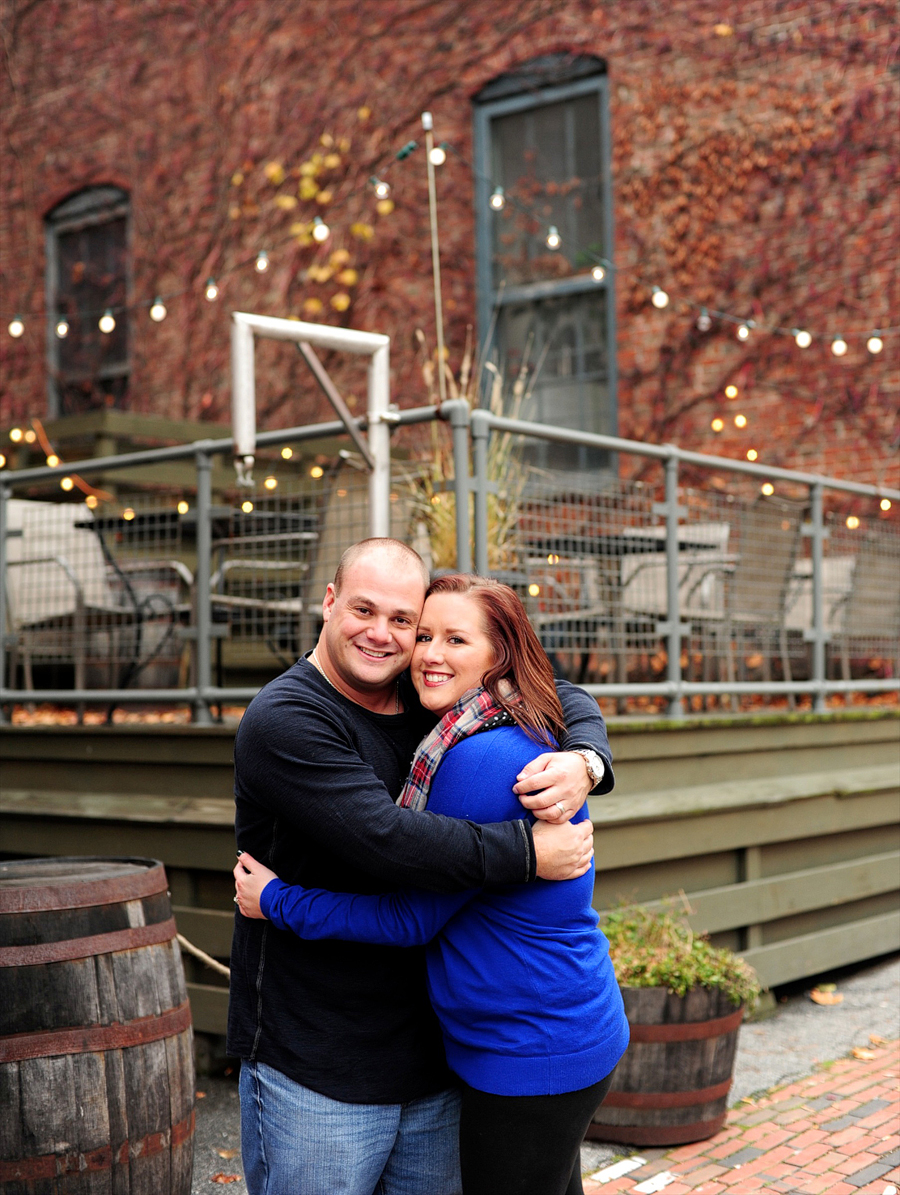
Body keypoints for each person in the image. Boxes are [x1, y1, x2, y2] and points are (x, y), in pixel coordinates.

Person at [228, 539, 614, 1195]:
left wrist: (587, 760)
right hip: (324, 1060)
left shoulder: (436, 708)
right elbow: (391, 839)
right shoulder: (289, 717)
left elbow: (562, 689)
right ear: (328, 602)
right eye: (363, 609)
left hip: (443, 1057)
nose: (387, 636)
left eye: (404, 621)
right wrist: (526, 852)